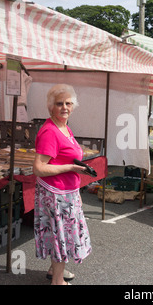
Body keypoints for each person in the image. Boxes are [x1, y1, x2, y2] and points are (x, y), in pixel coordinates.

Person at [33, 84, 92, 285]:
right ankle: (57, 281)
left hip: (66, 192)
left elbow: (65, 159)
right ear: (51, 107)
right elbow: (39, 168)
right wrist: (70, 168)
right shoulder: (50, 131)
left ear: (73, 106)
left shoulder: (64, 127)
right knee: (60, 237)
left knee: (61, 234)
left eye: (68, 103)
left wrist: (77, 192)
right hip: (56, 194)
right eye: (59, 104)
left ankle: (54, 270)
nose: (64, 107)